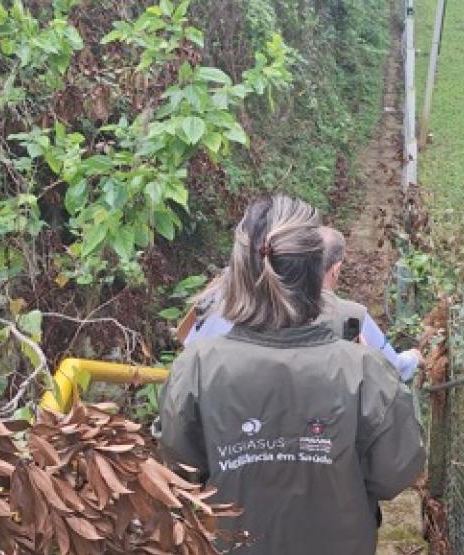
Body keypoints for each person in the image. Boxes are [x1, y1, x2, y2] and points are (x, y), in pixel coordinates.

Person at [159, 196, 426, 555]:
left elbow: (180, 466)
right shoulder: (365, 371)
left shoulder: (196, 367)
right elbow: (395, 473)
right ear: (320, 273)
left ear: (238, 271)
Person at [180, 228, 421, 382]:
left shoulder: (221, 291)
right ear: (335, 270)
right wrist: (415, 358)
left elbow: (187, 342)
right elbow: (394, 370)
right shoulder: (348, 316)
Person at [318, 226, 421, 381]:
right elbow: (392, 367)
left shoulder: (274, 310)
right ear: (336, 269)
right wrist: (413, 358)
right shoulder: (353, 317)